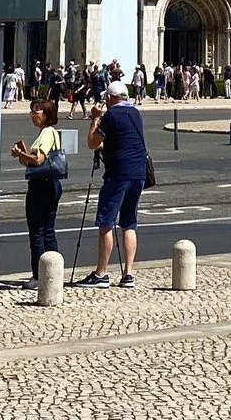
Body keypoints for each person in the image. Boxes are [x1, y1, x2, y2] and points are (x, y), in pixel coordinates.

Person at [79, 80, 150, 288]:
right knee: (129, 223)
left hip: (118, 173)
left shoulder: (111, 115)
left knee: (106, 222)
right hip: (139, 172)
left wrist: (95, 118)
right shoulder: (136, 112)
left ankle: (101, 273)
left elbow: (93, 142)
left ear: (110, 98)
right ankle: (128, 273)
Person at [12, 97, 67, 279]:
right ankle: (53, 273)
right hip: (50, 184)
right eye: (32, 110)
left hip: (41, 187)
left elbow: (38, 160)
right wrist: (23, 155)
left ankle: (39, 276)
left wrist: (22, 154)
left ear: (47, 114)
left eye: (37, 110)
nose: (33, 114)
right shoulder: (48, 133)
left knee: (37, 232)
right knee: (48, 230)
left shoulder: (46, 133)